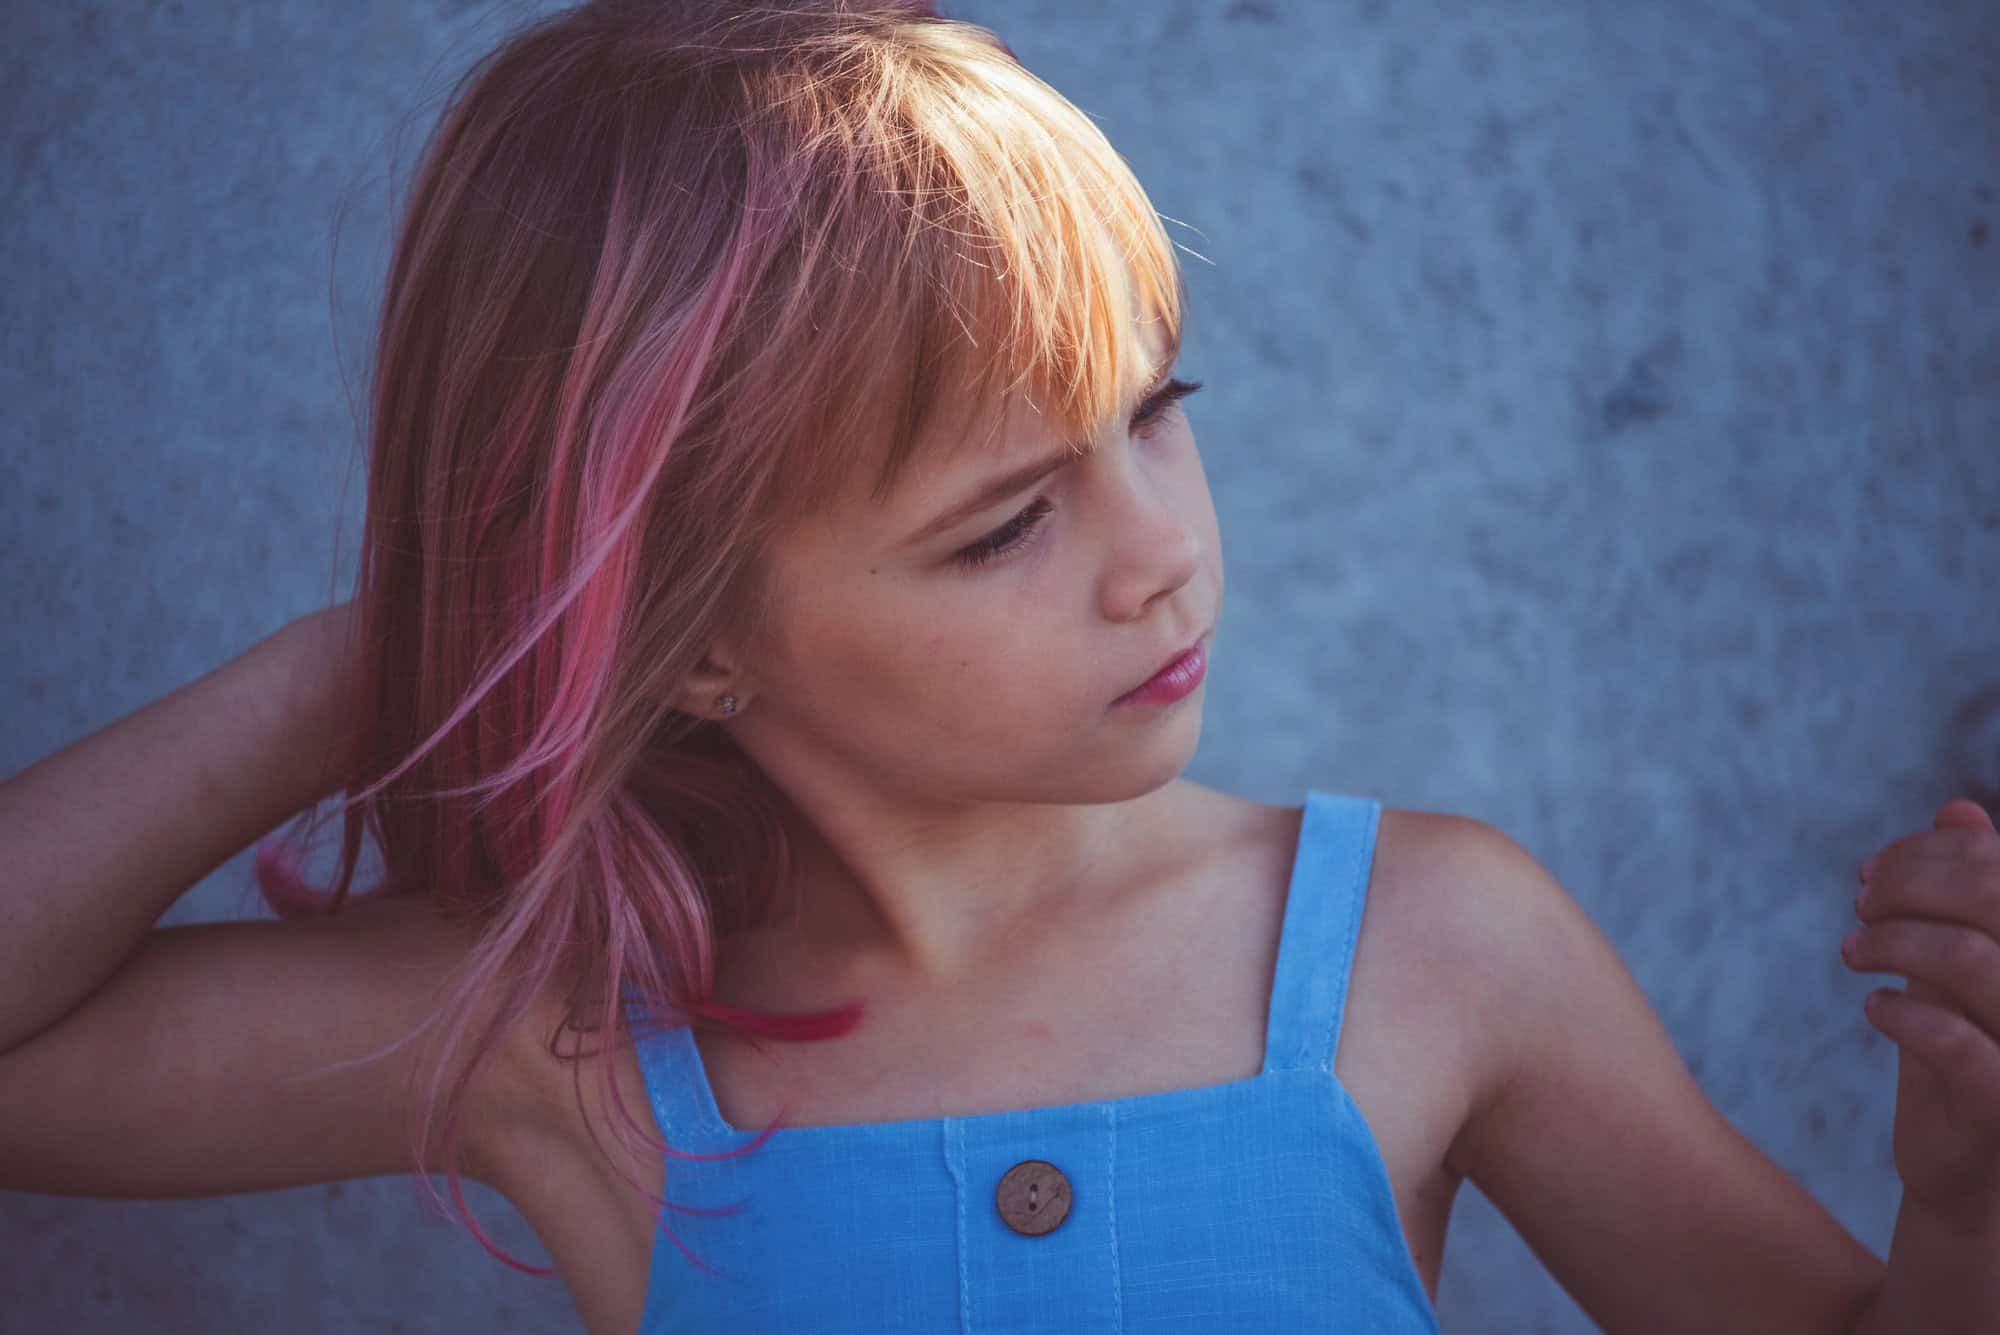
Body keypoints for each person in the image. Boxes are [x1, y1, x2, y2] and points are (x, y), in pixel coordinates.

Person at [2, 2, 1996, 1331]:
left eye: (1154, 412)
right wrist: (385, 659)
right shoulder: (569, 1033)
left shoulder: (1432, 942)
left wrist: (1971, 1211)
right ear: (688, 642)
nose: (1161, 554)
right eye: (1003, 524)